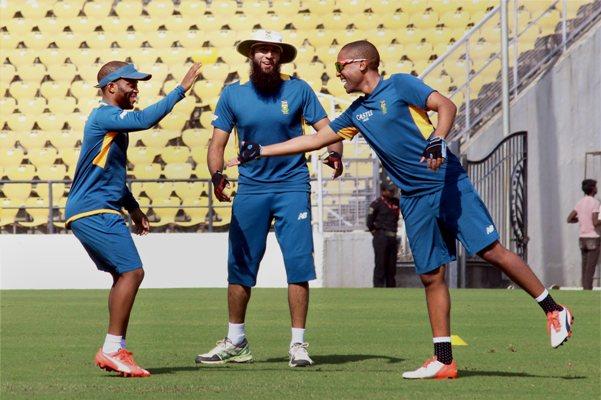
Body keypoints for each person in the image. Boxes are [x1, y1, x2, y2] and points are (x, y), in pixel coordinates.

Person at [230, 40, 574, 379]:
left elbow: (447, 106)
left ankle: (554, 310)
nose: (339, 76)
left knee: (490, 250)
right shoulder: (356, 113)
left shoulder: (401, 85)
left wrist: (439, 137)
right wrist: (261, 150)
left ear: (361, 64)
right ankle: (444, 360)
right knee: (430, 276)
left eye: (340, 68)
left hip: (444, 182)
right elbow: (314, 139)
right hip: (412, 196)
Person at [194, 30, 343, 368]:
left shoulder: (299, 90)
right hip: (251, 189)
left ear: (280, 57)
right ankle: (236, 341)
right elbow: (216, 144)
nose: (267, 56)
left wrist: (335, 153)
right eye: (262, 50)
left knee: (298, 265)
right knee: (240, 266)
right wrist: (217, 176)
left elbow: (329, 130)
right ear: (251, 55)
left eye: (273, 51)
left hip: (292, 187)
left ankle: (299, 344)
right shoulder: (232, 95)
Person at [65, 61, 200, 377]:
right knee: (132, 272)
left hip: (93, 209)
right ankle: (112, 349)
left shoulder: (113, 127)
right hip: (94, 209)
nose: (136, 89)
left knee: (123, 275)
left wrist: (134, 209)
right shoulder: (104, 115)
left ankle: (115, 348)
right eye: (131, 83)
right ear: (111, 87)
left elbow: (110, 175)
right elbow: (144, 119)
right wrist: (180, 90)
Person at [567, 179, 600, 290]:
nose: (597, 189)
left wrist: (581, 218)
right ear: (592, 189)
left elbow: (569, 218)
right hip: (593, 238)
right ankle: (587, 290)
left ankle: (584, 289)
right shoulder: (595, 203)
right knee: (590, 268)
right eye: (595, 187)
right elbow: (595, 222)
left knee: (584, 267)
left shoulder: (580, 202)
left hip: (582, 238)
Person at [367, 182, 400, 287]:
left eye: (393, 190)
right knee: (380, 264)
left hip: (392, 237)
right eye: (389, 190)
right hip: (381, 236)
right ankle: (378, 288)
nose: (392, 192)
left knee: (391, 266)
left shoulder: (396, 202)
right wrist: (377, 233)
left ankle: (391, 288)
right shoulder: (377, 204)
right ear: (383, 191)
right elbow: (369, 222)